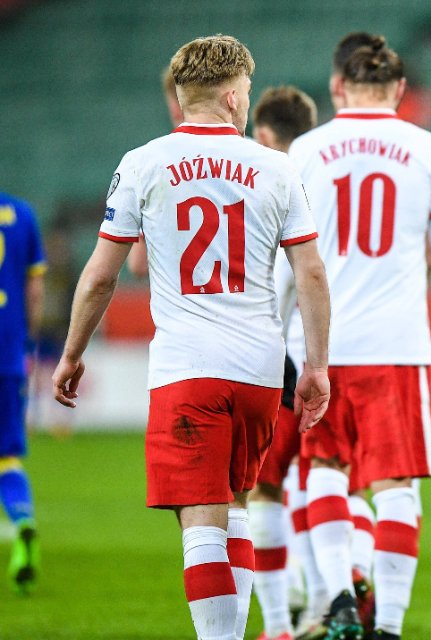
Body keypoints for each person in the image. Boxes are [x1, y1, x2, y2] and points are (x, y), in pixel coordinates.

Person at [51, 35, 333, 640]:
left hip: (187, 367)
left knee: (201, 519)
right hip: (259, 368)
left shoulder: (143, 162)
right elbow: (309, 271)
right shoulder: (276, 166)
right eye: (248, 90)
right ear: (233, 98)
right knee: (234, 506)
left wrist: (72, 354)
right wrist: (316, 365)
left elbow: (102, 275)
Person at [285, 34, 431, 640]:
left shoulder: (307, 150)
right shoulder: (425, 147)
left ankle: (339, 597)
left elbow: (283, 262)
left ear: (339, 86)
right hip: (397, 344)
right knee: (397, 486)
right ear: (399, 90)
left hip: (321, 346)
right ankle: (388, 625)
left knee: (324, 471)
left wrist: (283, 343)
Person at [242, 85, 320, 640]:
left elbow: (280, 285)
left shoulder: (271, 186)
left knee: (264, 491)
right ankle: (325, 600)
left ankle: (277, 624)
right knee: (324, 485)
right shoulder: (334, 177)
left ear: (265, 136)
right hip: (350, 358)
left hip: (286, 365)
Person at [0, 192, 46, 595]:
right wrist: (26, 342)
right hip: (8, 352)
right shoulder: (22, 213)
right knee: (7, 455)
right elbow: (34, 290)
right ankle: (22, 518)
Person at [127, 66, 187, 278]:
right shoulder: (254, 156)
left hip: (181, 304)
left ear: (174, 106)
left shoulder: (154, 164)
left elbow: (138, 265)